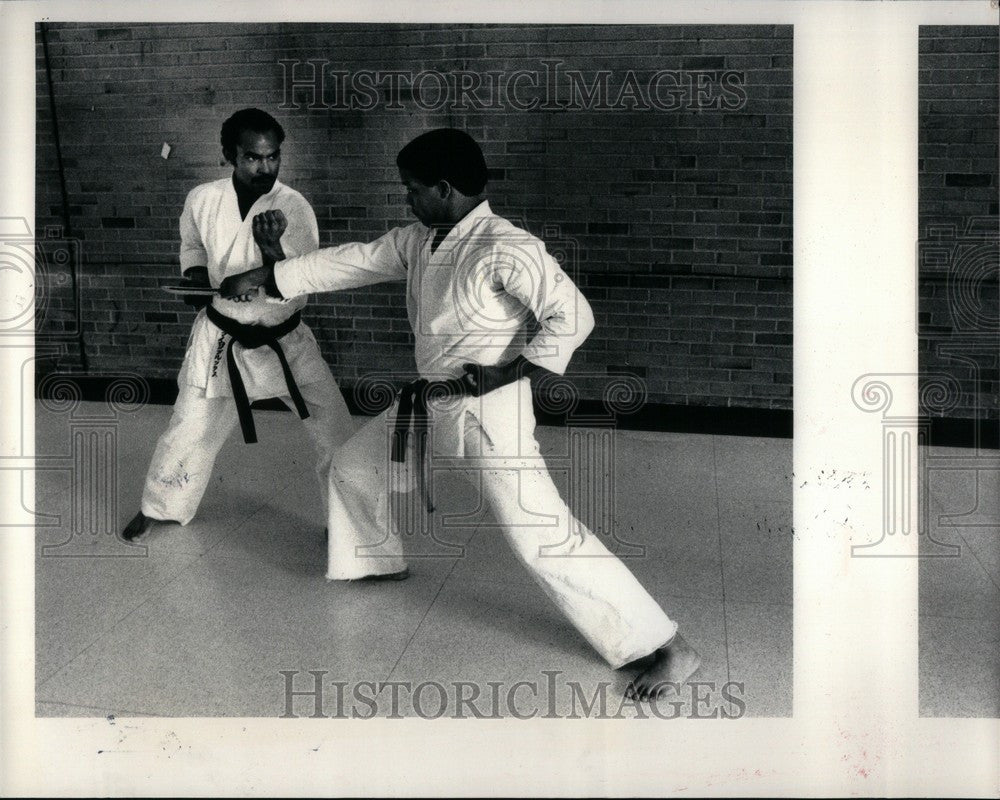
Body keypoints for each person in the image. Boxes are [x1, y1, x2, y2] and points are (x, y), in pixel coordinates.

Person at [220, 128, 700, 700]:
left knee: (542, 535)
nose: (407, 200)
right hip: (431, 400)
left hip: (487, 413)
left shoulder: (506, 246)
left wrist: (505, 371)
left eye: (413, 190)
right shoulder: (422, 239)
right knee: (352, 468)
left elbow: (573, 316)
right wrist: (267, 277)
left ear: (444, 189)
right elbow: (351, 262)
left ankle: (669, 646)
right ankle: (374, 560)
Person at [120, 108, 355, 542]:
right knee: (189, 425)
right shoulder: (202, 199)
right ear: (230, 154)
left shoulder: (293, 207)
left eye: (273, 157)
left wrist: (270, 250)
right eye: (252, 157)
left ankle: (349, 525)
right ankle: (162, 505)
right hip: (221, 336)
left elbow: (301, 281)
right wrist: (194, 282)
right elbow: (192, 249)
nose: (265, 167)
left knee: (335, 430)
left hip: (283, 338)